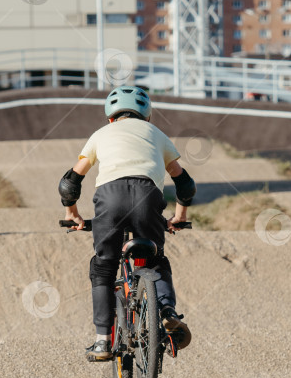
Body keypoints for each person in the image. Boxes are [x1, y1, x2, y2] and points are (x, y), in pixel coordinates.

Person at [59, 86, 196, 361]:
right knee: (156, 260)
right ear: (146, 116)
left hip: (109, 201)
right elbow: (184, 182)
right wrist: (179, 216)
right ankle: (167, 312)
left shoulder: (100, 134)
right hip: (148, 197)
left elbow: (70, 182)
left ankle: (101, 341)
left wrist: (72, 213)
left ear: (111, 117)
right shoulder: (157, 134)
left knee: (104, 267)